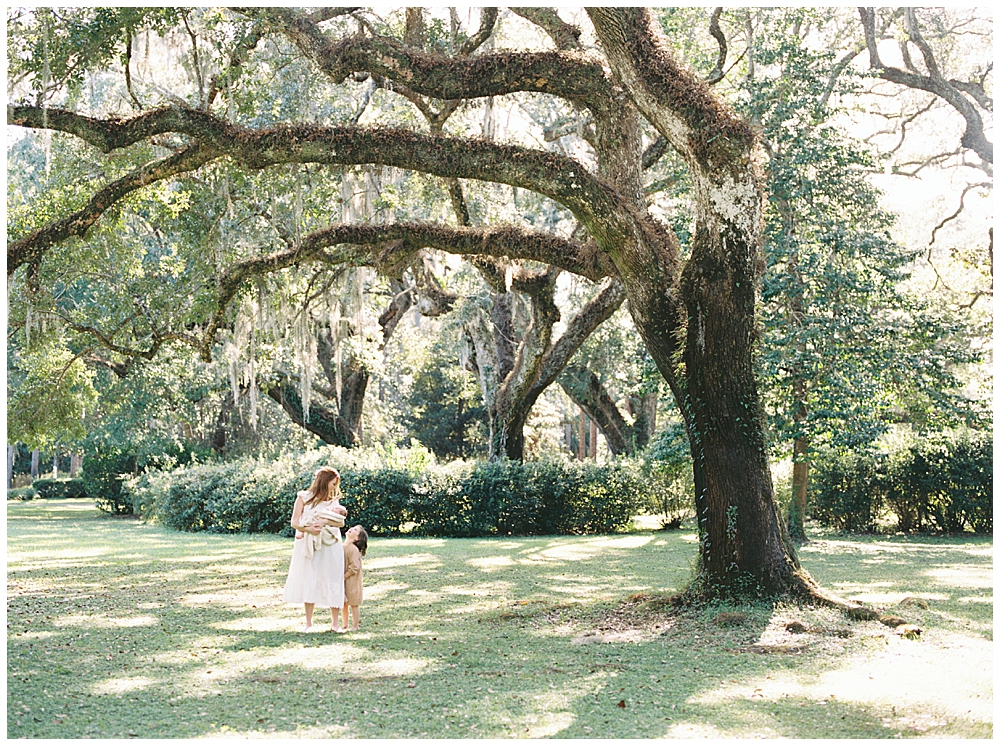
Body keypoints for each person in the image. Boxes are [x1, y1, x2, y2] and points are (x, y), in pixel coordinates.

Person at [282, 467, 348, 632]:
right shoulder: (303, 497)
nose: (334, 488)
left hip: (330, 542)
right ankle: (309, 623)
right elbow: (294, 522)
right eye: (333, 484)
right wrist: (309, 529)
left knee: (332, 577)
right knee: (309, 576)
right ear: (324, 482)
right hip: (309, 541)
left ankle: (334, 624)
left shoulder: (332, 500)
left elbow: (340, 522)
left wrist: (324, 523)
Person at [340, 525, 368, 632]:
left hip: (351, 580)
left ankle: (355, 625)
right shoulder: (342, 546)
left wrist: (344, 576)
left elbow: (354, 567)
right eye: (352, 527)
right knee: (343, 603)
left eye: (355, 530)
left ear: (357, 538)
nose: (351, 528)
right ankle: (345, 624)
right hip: (343, 579)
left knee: (353, 603)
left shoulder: (353, 549)